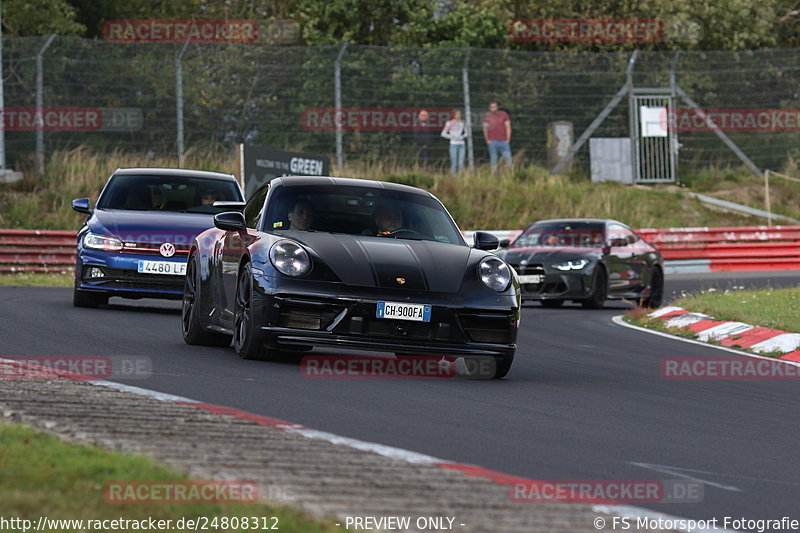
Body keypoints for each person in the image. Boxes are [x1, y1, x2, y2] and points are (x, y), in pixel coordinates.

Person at [482, 101, 512, 173]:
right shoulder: (487, 116)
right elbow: (485, 128)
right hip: (492, 141)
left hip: (503, 141)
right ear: (489, 108)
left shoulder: (503, 114)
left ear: (497, 107)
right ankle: (495, 176)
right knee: (494, 160)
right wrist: (487, 140)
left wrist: (508, 139)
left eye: (494, 107)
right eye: (492, 107)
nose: (493, 109)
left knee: (508, 159)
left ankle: (509, 174)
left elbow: (508, 126)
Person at [441, 109, 467, 176]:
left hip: (461, 144)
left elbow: (467, 133)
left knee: (461, 162)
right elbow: (443, 133)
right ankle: (453, 176)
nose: (458, 116)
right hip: (453, 144)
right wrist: (451, 136)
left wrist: (462, 136)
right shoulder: (449, 123)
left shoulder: (463, 123)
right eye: (457, 114)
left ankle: (461, 175)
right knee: (454, 162)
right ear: (454, 115)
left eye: (459, 114)